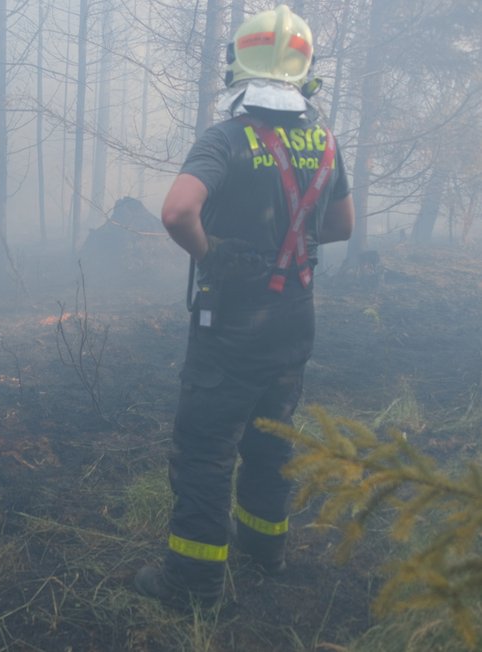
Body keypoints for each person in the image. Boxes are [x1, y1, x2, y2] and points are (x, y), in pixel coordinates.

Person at [134, 5, 355, 610]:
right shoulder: (326, 139)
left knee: (206, 452)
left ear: (239, 63)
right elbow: (340, 228)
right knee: (271, 442)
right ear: (305, 72)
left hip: (231, 325)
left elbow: (178, 212)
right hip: (295, 323)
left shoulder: (225, 138)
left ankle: (193, 583)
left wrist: (210, 253)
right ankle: (266, 552)